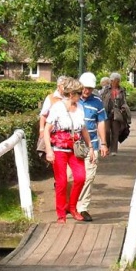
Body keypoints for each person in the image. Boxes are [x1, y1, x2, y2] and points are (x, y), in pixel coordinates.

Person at [42, 77, 93, 223]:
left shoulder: (80, 107)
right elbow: (47, 130)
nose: (81, 95)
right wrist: (49, 151)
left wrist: (90, 147)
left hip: (75, 148)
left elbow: (83, 129)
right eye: (79, 93)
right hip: (59, 148)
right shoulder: (57, 107)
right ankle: (61, 214)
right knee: (62, 182)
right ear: (71, 94)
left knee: (80, 177)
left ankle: (72, 207)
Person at [75, 72, 108, 222]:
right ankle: (70, 204)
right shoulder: (72, 99)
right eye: (84, 87)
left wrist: (103, 143)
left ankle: (82, 207)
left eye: (89, 88)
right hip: (73, 144)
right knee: (71, 177)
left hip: (92, 144)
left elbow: (101, 122)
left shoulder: (97, 101)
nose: (86, 91)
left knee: (89, 176)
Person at [37, 76, 68, 155]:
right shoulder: (51, 98)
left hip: (65, 133)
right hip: (52, 131)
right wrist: (41, 129)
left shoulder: (68, 98)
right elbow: (43, 115)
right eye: (63, 85)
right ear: (58, 86)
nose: (66, 87)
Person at [102, 72, 131, 155]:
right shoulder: (106, 89)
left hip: (117, 113)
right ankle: (106, 147)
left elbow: (124, 101)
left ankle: (114, 150)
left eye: (117, 80)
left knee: (115, 132)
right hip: (106, 112)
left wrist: (123, 109)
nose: (116, 82)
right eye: (115, 80)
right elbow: (102, 99)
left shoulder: (122, 90)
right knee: (106, 131)